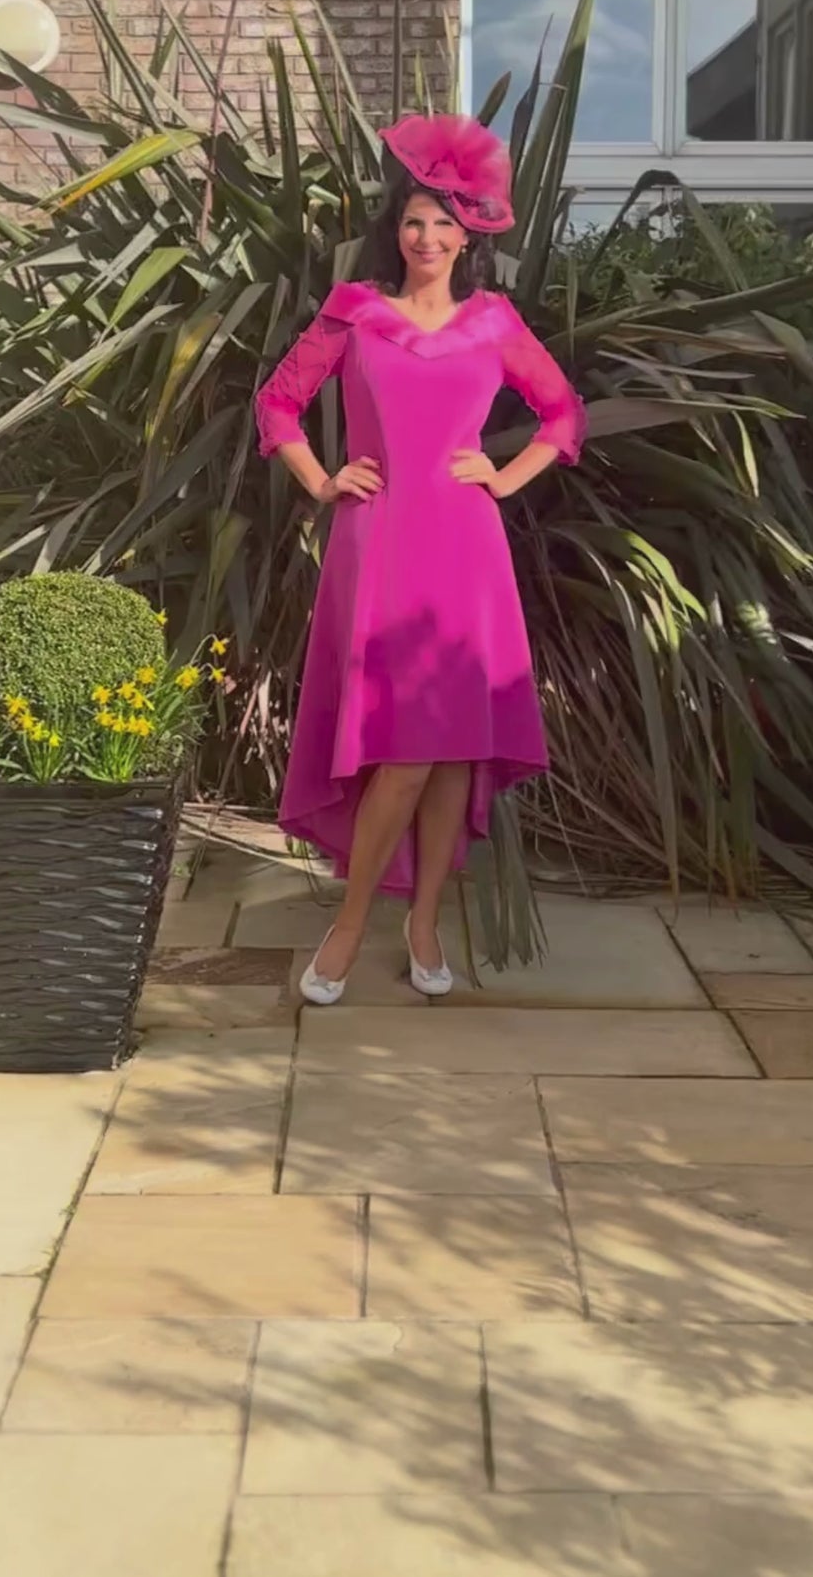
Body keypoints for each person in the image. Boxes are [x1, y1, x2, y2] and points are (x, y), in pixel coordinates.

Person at [254, 113, 585, 1003]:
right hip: (381, 543)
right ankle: (353, 925)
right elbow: (278, 405)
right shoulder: (355, 314)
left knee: (450, 754)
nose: (427, 237)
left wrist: (505, 478)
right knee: (404, 753)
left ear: (468, 231)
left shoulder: (494, 323)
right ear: (392, 232)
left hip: (465, 550)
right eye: (412, 221)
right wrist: (324, 481)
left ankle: (427, 921)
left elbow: (563, 415)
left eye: (443, 222)